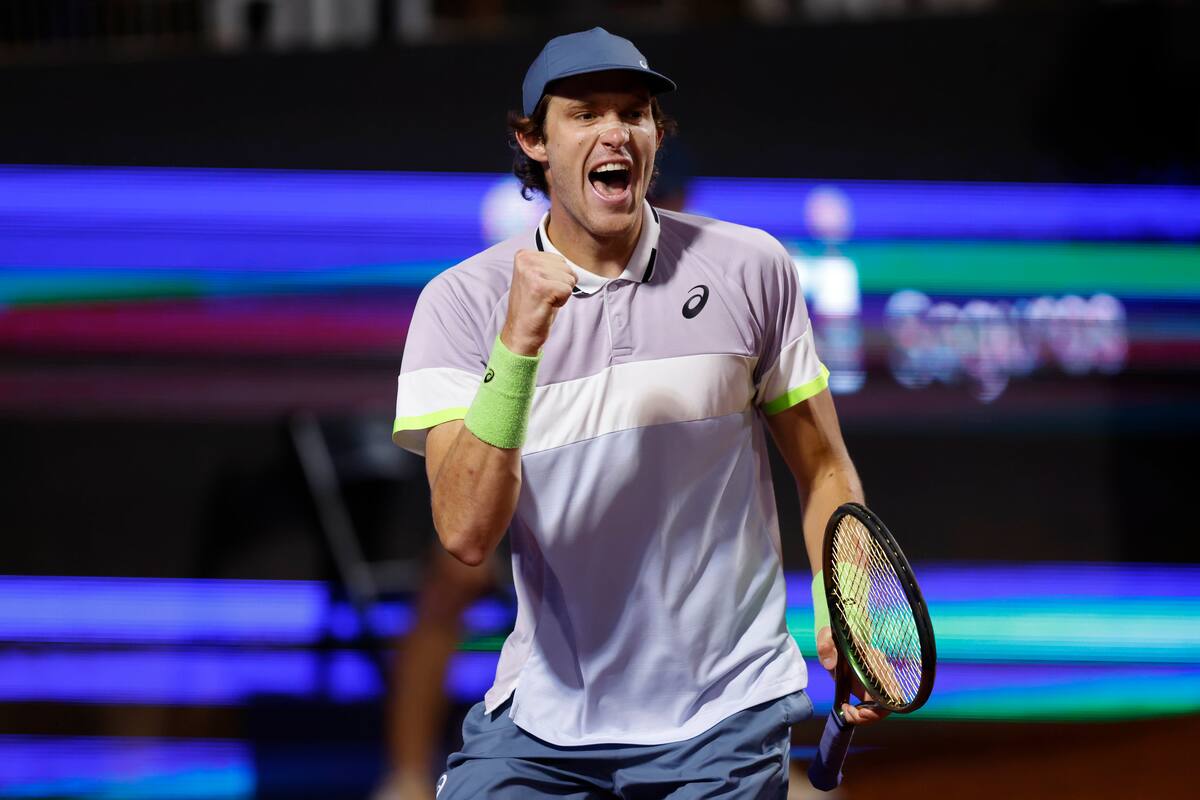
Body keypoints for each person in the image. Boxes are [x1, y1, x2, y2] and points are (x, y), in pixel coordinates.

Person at [392, 26, 885, 798]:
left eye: (634, 111)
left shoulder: (751, 268)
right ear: (533, 142)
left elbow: (823, 465)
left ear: (657, 135)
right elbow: (464, 532)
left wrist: (843, 604)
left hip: (726, 712)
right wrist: (518, 345)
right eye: (585, 113)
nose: (615, 129)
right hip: (547, 722)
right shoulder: (460, 304)